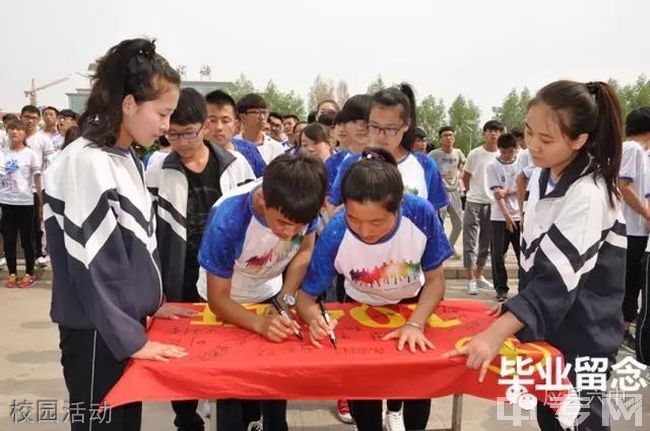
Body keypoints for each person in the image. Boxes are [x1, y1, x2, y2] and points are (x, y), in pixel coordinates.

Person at [446, 80, 626, 431]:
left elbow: (554, 281)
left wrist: (497, 333)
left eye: (546, 140)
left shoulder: (589, 193)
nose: (533, 146)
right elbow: (536, 261)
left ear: (579, 140)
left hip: (583, 334)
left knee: (579, 420)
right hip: (553, 332)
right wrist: (516, 305)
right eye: (529, 133)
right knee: (552, 416)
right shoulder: (544, 178)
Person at [43, 38, 191, 431]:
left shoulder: (126, 159)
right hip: (98, 333)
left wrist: (153, 303)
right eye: (162, 113)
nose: (166, 125)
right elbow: (94, 265)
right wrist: (134, 340)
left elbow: (138, 245)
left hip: (123, 326)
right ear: (128, 104)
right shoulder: (85, 163)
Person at [296, 148, 452, 431]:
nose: (365, 232)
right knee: (364, 404)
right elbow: (306, 297)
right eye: (355, 219)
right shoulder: (336, 232)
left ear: (399, 205)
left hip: (412, 308)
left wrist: (416, 323)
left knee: (416, 393)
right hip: (358, 312)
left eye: (377, 222)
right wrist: (313, 319)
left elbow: (436, 280)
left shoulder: (420, 213)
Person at [145, 86, 255, 431]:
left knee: (228, 348)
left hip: (225, 274)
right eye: (173, 134)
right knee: (181, 348)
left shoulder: (236, 165)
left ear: (205, 127)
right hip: (179, 269)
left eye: (188, 132)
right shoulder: (158, 167)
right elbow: (148, 229)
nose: (180, 141)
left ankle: (234, 415)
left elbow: (253, 221)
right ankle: (186, 416)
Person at [198, 154, 327, 431]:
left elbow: (305, 250)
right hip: (227, 297)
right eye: (281, 222)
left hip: (270, 291)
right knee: (231, 389)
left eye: (299, 225)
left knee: (274, 383)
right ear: (261, 200)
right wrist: (258, 323)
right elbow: (217, 299)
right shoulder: (228, 219)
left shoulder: (305, 205)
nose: (289, 232)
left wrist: (285, 299)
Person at [330, 84, 448, 212]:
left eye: (390, 129)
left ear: (406, 124)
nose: (381, 136)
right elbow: (334, 211)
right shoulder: (351, 163)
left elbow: (432, 218)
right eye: (375, 126)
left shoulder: (425, 165)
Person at [618, 107, 650, 353]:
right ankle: (618, 331)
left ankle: (622, 330)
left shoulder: (637, 151)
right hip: (630, 230)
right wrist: (648, 214)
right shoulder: (633, 149)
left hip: (636, 230)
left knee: (632, 286)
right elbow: (624, 186)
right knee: (627, 286)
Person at [462, 120, 504, 294]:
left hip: (493, 204)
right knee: (469, 242)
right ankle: (470, 279)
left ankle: (479, 276)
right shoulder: (475, 154)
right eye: (490, 131)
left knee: (486, 244)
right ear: (484, 133)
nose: (493, 134)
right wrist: (472, 193)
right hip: (474, 202)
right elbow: (466, 177)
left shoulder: (502, 155)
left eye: (497, 131)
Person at [0, 120, 38, 288]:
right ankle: (12, 272)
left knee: (26, 240)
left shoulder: (30, 154)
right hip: (6, 202)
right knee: (8, 240)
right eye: (11, 129)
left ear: (24, 133)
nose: (14, 132)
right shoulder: (2, 153)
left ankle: (30, 271)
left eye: (18, 130)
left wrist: (41, 202)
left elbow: (37, 178)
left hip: (25, 202)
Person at [487, 133, 521, 302]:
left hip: (520, 215)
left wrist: (508, 191)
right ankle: (501, 288)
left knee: (523, 253)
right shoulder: (492, 166)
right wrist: (507, 216)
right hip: (499, 217)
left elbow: (523, 187)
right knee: (498, 255)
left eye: (510, 151)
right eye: (504, 152)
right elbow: (496, 194)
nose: (507, 155)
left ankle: (525, 287)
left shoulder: (521, 163)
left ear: (515, 149)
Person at [21, 104, 55, 266]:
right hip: (15, 189)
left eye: (34, 118)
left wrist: (45, 187)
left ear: (38, 119)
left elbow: (49, 165)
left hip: (36, 188)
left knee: (36, 223)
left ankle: (38, 253)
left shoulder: (43, 139)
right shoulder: (13, 137)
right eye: (27, 117)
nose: (30, 121)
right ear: (21, 117)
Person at [205, 89, 266, 177]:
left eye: (225, 121)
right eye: (212, 120)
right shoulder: (192, 155)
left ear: (236, 124)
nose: (219, 127)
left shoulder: (249, 151)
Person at [429, 126, 465, 257]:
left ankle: (449, 247)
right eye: (445, 135)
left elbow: (462, 165)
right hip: (440, 191)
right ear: (440, 139)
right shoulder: (434, 154)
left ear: (454, 138)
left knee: (459, 224)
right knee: (439, 224)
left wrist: (460, 174)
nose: (448, 138)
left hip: (454, 191)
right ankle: (439, 250)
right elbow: (427, 168)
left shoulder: (458, 152)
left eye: (450, 135)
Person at [235, 93, 285, 163]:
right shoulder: (232, 145)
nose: (262, 117)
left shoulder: (276, 147)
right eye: (256, 112)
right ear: (243, 117)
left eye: (264, 112)